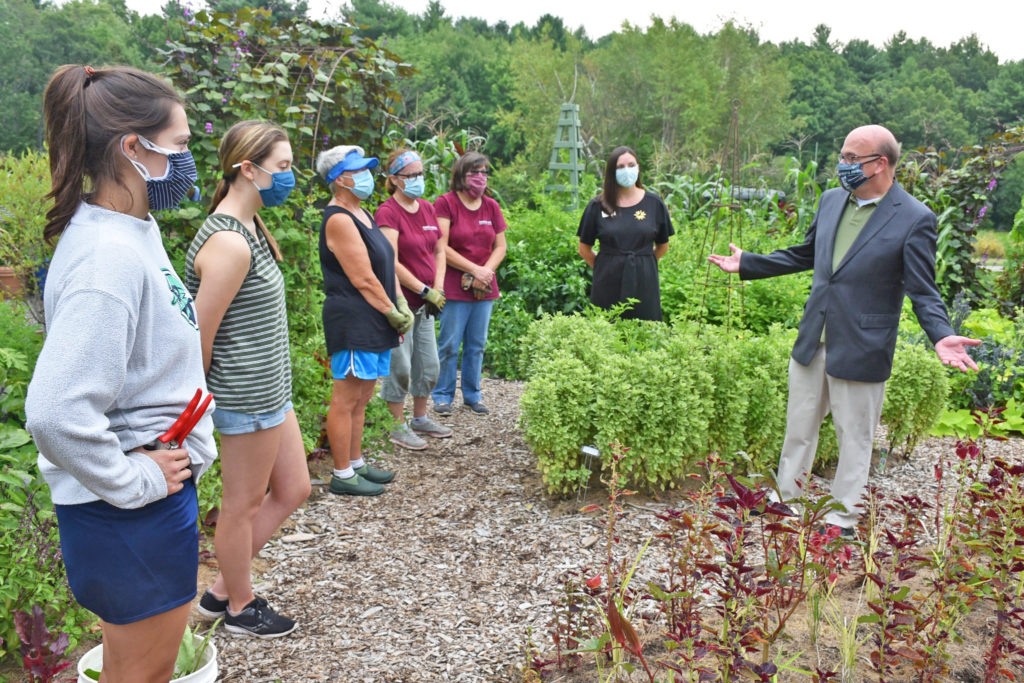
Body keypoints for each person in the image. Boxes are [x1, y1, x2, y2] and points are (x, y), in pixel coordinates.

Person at [24, 65, 217, 682]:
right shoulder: (107, 259)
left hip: (142, 507)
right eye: (180, 144)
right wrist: (133, 479)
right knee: (144, 676)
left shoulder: (131, 232)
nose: (188, 160)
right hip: (130, 514)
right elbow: (54, 412)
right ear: (133, 148)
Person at [708, 124, 980, 537]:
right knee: (798, 428)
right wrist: (750, 263)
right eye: (843, 156)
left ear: (881, 163)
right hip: (814, 336)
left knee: (854, 437)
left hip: (863, 343)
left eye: (853, 158)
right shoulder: (832, 200)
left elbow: (923, 289)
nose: (843, 165)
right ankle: (787, 501)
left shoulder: (914, 218)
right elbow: (806, 253)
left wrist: (941, 335)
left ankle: (842, 517)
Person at [186, 120, 310, 638]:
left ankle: (220, 592)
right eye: (282, 166)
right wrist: (196, 407)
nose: (290, 176)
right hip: (246, 395)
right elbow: (200, 334)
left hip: (272, 391)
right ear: (248, 169)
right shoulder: (229, 243)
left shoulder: (252, 227)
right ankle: (240, 605)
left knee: (295, 488)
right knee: (242, 506)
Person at [317, 145, 412, 496]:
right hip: (354, 320)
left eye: (366, 170)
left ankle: (356, 463)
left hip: (374, 316)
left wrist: (398, 301)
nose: (366, 176)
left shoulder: (362, 212)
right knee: (346, 397)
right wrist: (393, 312)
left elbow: (384, 266)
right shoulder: (339, 219)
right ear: (339, 179)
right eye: (357, 171)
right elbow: (363, 278)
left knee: (363, 395)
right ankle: (342, 474)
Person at [375, 148, 454, 449]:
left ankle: (420, 417)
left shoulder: (427, 208)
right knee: (401, 366)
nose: (419, 179)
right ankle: (396, 425)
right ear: (395, 179)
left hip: (427, 304)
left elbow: (439, 250)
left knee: (429, 365)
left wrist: (438, 288)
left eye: (421, 173)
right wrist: (422, 289)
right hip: (402, 303)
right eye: (412, 175)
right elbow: (390, 260)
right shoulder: (387, 213)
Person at [431, 152, 507, 416]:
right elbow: (441, 246)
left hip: (484, 287)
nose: (480, 177)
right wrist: (474, 269)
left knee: (477, 344)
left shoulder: (491, 206)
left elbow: (501, 246)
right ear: (461, 175)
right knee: (449, 344)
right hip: (455, 286)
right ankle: (442, 395)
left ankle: (473, 395)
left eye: (484, 172)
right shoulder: (446, 203)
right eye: (474, 172)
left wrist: (485, 272)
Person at [577, 146, 673, 321]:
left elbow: (663, 247)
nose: (627, 170)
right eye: (620, 167)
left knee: (645, 329)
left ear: (638, 168)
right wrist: (606, 266)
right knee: (606, 328)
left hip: (644, 281)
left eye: (631, 165)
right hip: (607, 281)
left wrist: (642, 264)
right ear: (611, 172)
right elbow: (584, 249)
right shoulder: (598, 206)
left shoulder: (654, 203)